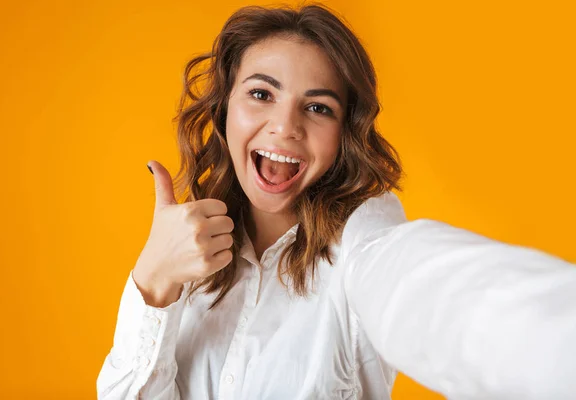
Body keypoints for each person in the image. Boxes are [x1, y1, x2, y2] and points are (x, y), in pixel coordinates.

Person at [96, 3, 576, 399]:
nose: (286, 126)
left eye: (318, 107)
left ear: (344, 134)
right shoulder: (184, 252)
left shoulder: (362, 239)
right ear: (223, 111)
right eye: (261, 93)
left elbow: (430, 290)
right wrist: (153, 283)